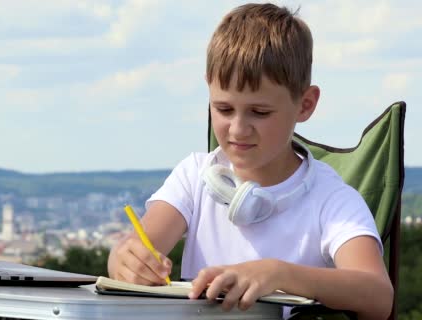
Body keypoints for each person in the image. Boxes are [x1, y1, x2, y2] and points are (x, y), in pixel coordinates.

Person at [107, 3, 393, 320]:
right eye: (224, 109)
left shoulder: (332, 199)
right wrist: (125, 259)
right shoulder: (193, 176)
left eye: (260, 112)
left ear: (305, 104)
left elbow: (378, 294)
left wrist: (278, 275)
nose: (238, 129)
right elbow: (137, 249)